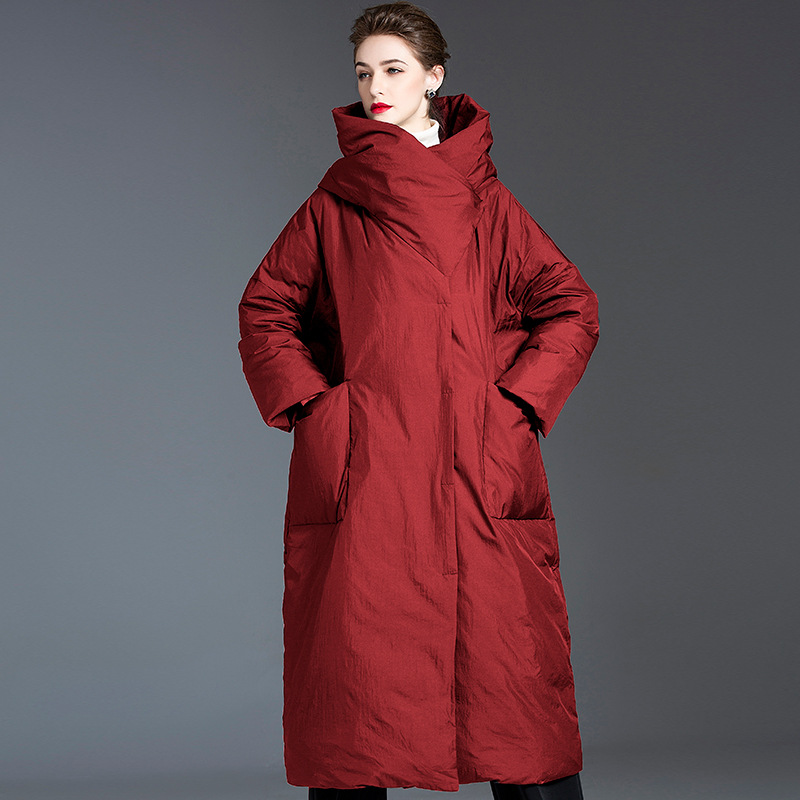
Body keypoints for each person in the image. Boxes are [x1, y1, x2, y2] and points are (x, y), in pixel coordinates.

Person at [237, 3, 599, 798]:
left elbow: (570, 306)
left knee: (511, 695)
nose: (376, 86)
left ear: (434, 78)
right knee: (358, 698)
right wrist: (320, 410)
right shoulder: (334, 205)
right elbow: (266, 309)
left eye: (394, 69)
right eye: (363, 71)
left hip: (480, 465)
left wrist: (515, 405)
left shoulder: (490, 205)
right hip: (370, 471)